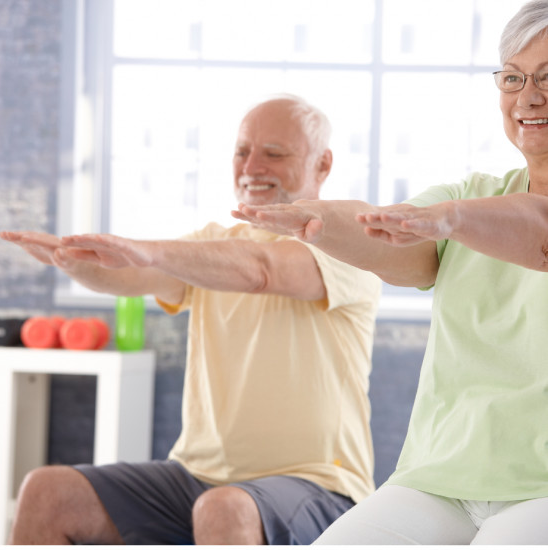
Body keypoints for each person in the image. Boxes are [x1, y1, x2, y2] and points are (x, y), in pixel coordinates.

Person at [0, 94, 382, 545]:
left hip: (319, 485)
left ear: (323, 164)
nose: (252, 165)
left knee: (224, 509)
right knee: (47, 492)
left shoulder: (349, 241)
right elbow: (134, 272)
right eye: (242, 151)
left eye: (274, 154)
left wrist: (154, 250)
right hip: (197, 476)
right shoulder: (212, 247)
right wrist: (73, 259)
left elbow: (263, 270)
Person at [233, 3, 548, 545]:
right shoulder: (470, 195)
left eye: (547, 78)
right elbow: (393, 241)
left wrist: (450, 221)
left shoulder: (463, 211)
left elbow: (536, 229)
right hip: (441, 478)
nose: (528, 98)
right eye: (514, 78)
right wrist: (319, 221)